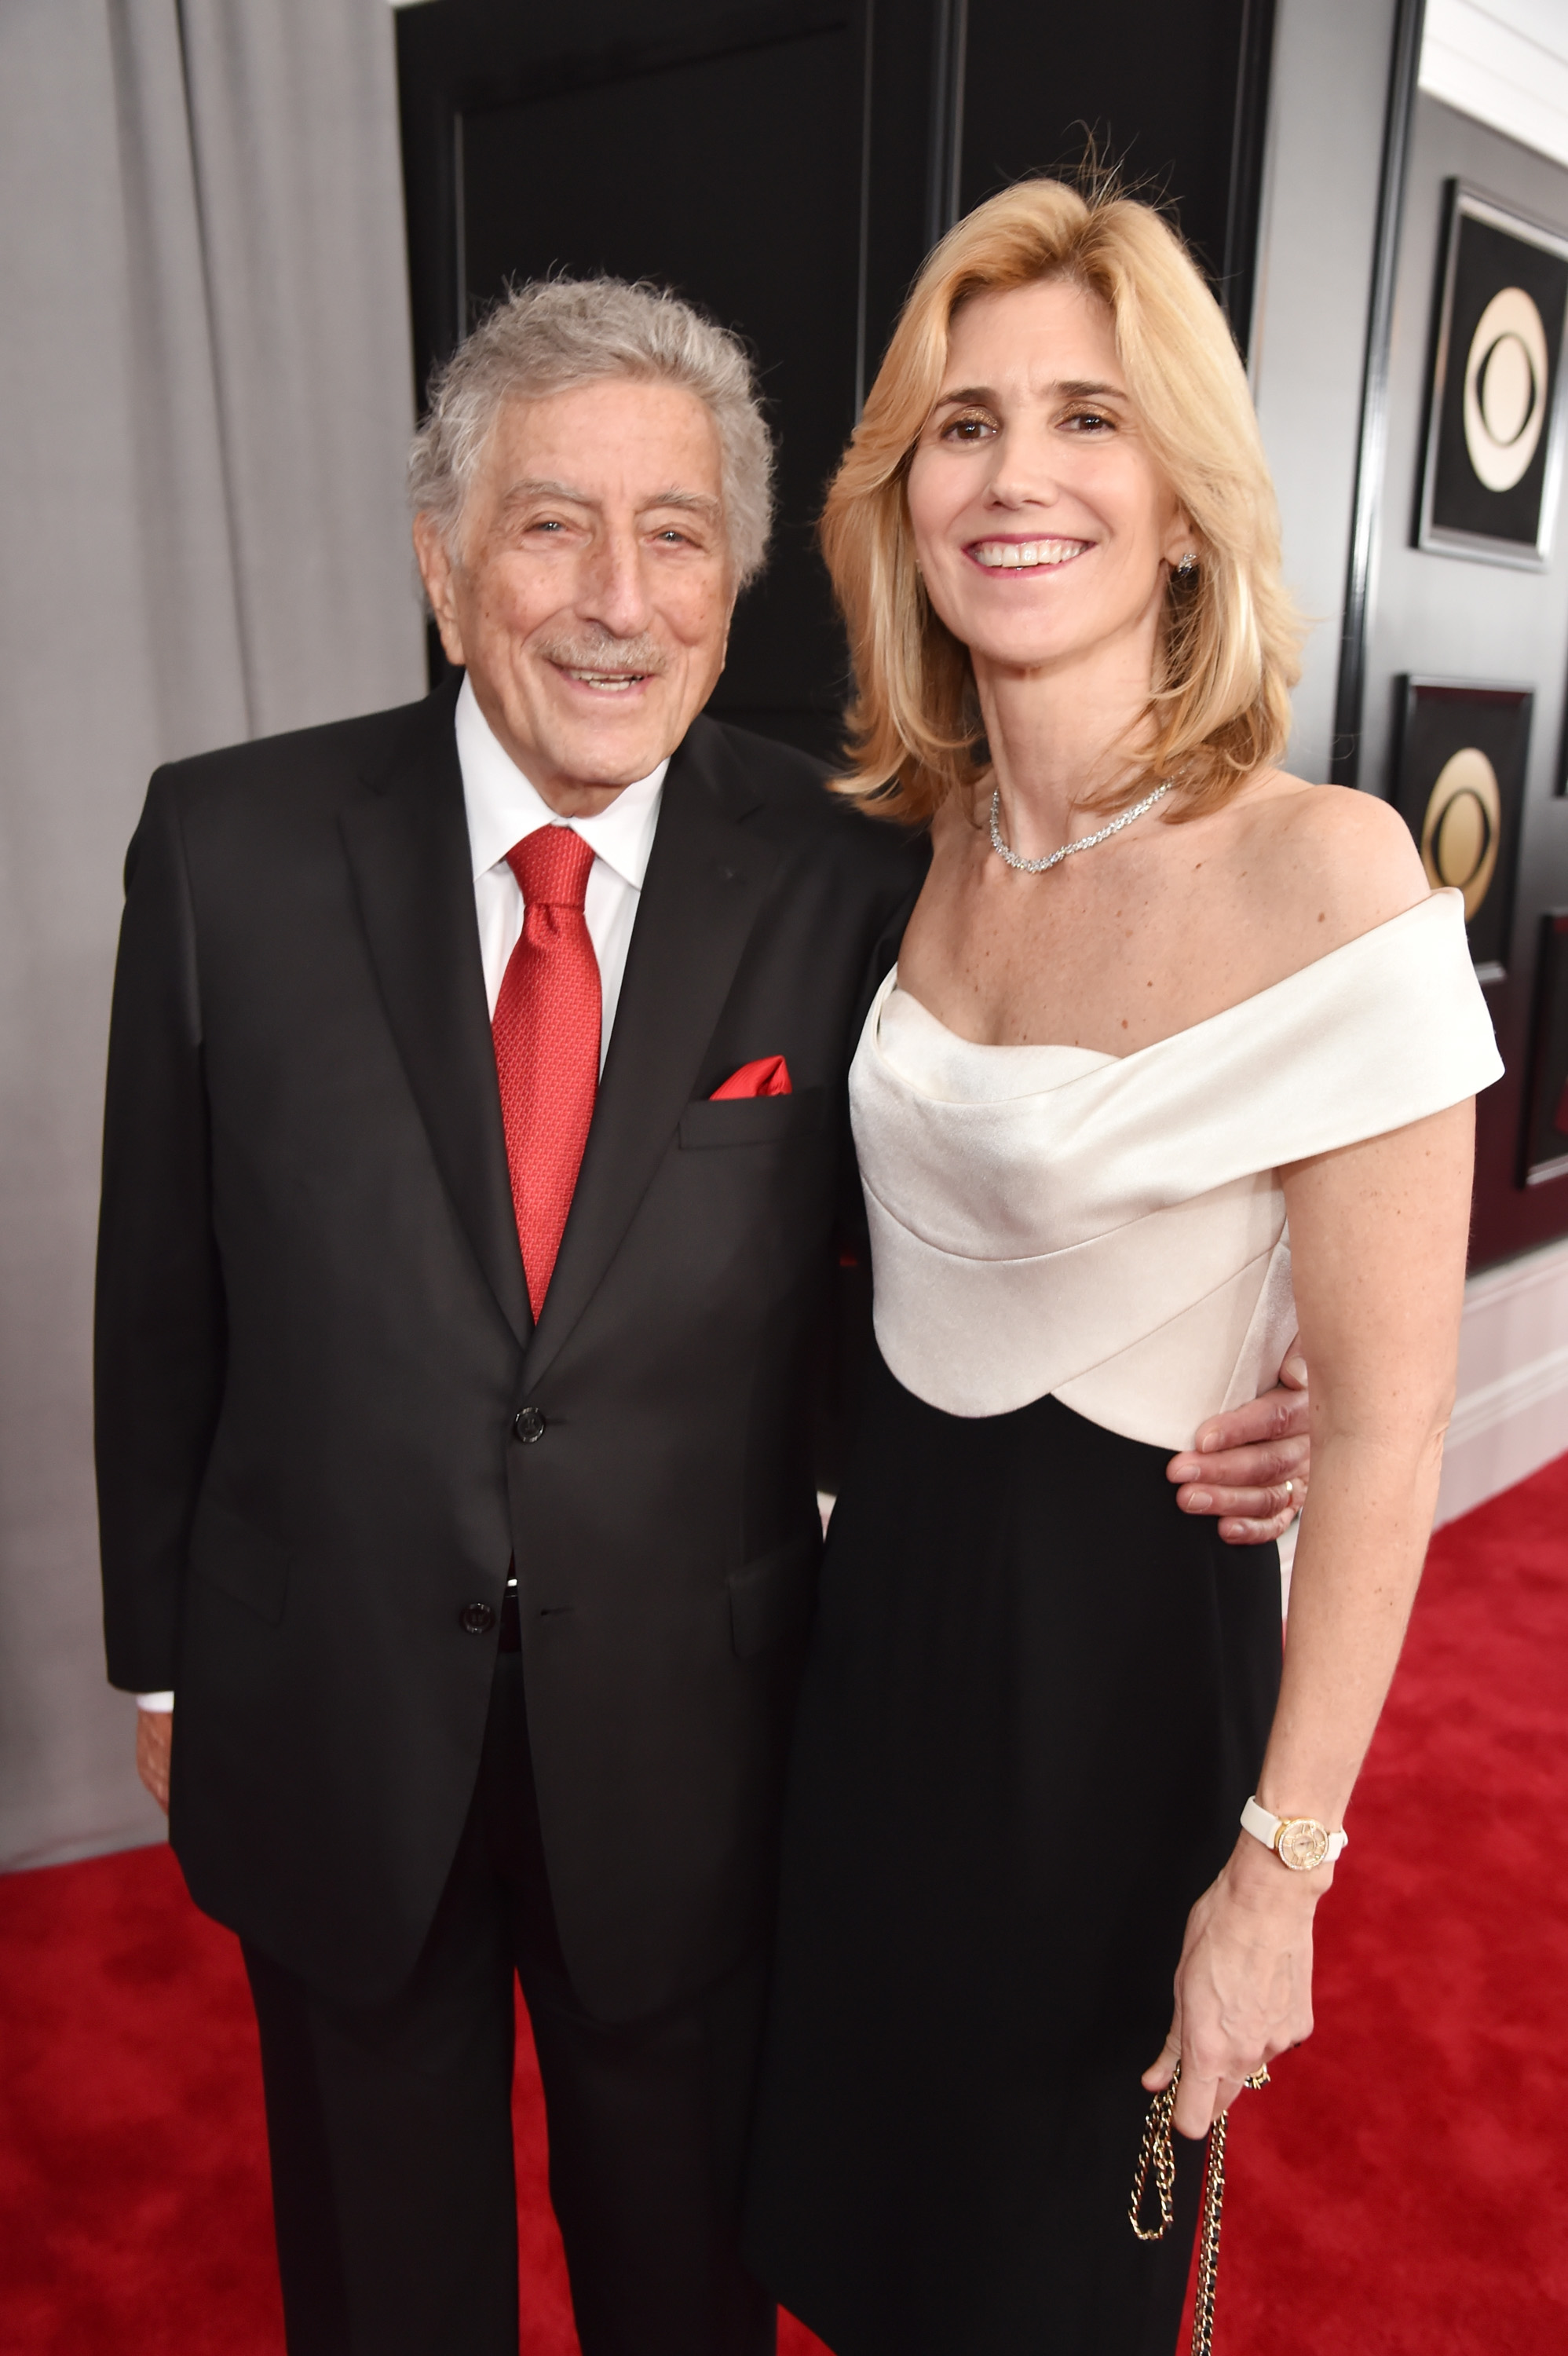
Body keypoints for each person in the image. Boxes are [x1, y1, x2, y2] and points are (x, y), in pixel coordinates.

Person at [96, 276, 1307, 2356]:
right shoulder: (228, 848)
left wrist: (1218, 1371)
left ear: (740, 583)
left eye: (676, 537)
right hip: (330, 1723)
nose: (613, 599)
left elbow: (961, 1230)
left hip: (704, 1746)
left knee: (684, 2291)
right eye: (551, 522)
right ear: (439, 554)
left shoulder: (853, 878)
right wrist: (166, 1669)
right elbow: (160, 1295)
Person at [744, 181, 1502, 2356]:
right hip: (868, 1659)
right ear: (907, 501)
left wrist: (1280, 1875)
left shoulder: (1328, 875)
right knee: (858, 2244)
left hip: (1117, 1693)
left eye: (1088, 416)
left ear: (1183, 505)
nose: (1016, 477)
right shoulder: (892, 854)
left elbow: (1383, 1424)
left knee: (1053, 2275)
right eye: (963, 426)